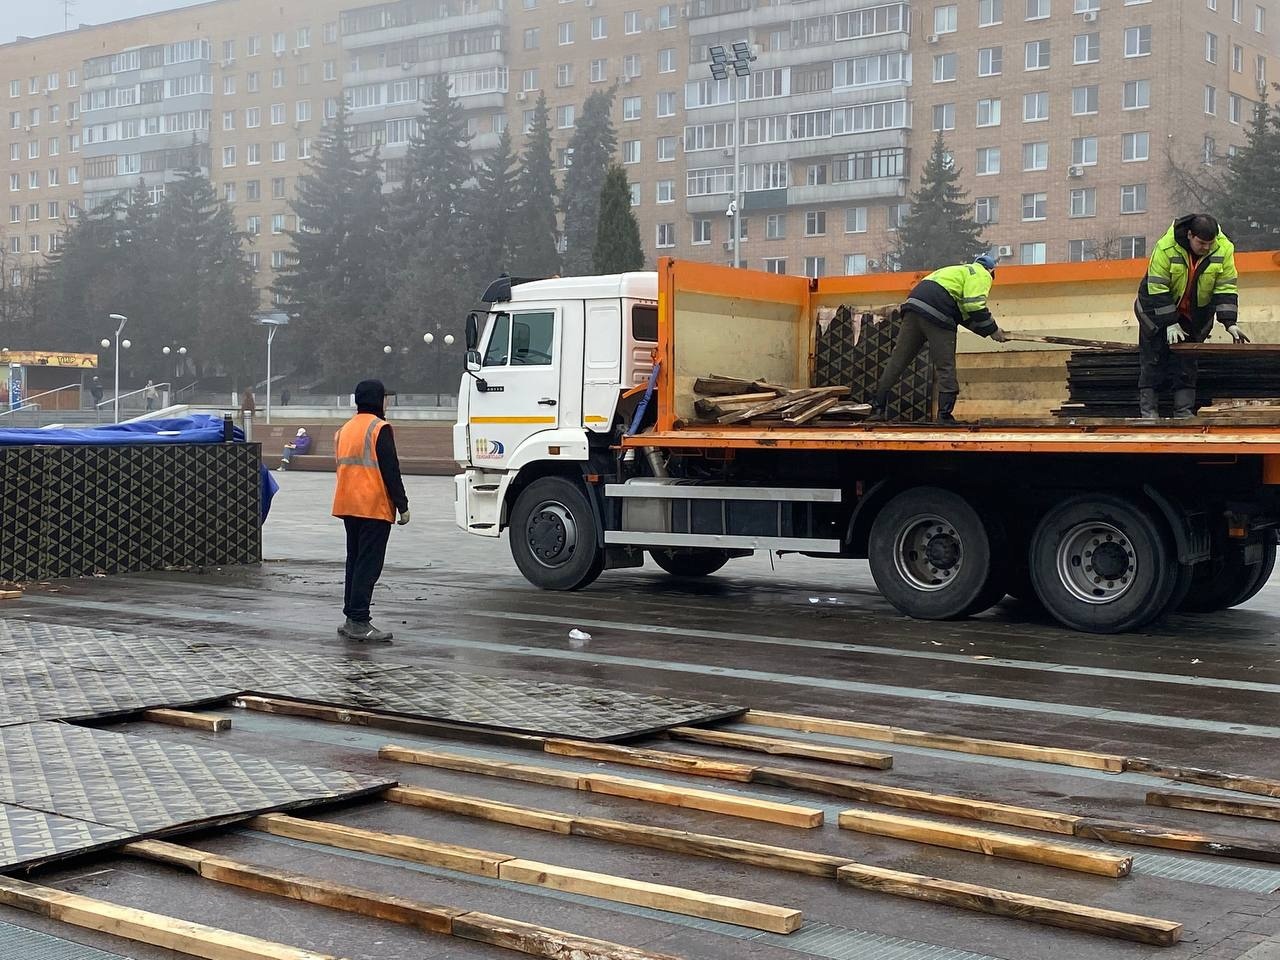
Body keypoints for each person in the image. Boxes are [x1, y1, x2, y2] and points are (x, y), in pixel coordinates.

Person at [870, 253, 1010, 424]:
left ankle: (876, 407)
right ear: (991, 271)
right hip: (938, 309)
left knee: (897, 360)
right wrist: (993, 329)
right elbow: (974, 306)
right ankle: (944, 416)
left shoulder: (954, 272)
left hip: (913, 306)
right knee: (945, 365)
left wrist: (988, 331)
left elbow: (963, 315)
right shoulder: (980, 273)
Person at [1135, 214, 1245, 420]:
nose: (1206, 248)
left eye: (1210, 244)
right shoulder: (1165, 247)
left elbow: (1226, 286)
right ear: (1189, 235)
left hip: (1193, 314)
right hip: (1155, 309)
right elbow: (1157, 288)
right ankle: (1148, 413)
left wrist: (1230, 322)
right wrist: (1169, 323)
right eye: (1201, 243)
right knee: (1153, 358)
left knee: (1187, 363)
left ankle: (1183, 413)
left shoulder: (1224, 249)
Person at [332, 380, 409, 643]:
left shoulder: (345, 429)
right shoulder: (379, 428)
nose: (387, 402)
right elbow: (391, 469)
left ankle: (351, 616)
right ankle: (359, 620)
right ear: (377, 400)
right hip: (372, 506)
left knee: (354, 561)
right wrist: (403, 505)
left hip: (347, 504)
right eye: (385, 398)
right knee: (369, 564)